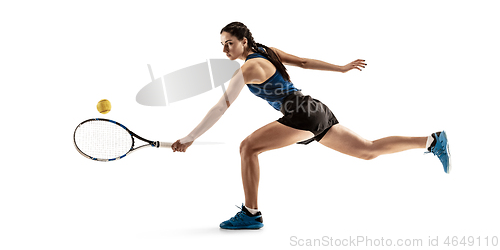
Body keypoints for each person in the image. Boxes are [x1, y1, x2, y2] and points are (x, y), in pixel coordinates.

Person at [171, 22, 451, 230]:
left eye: (229, 42)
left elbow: (222, 106)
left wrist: (191, 136)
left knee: (247, 147)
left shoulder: (248, 68)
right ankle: (431, 140)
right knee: (368, 150)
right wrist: (340, 68)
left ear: (244, 41)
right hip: (314, 108)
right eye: (222, 43)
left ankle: (251, 214)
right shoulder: (268, 51)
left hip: (301, 115)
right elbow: (304, 62)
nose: (224, 48)